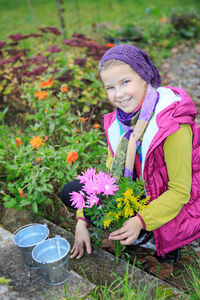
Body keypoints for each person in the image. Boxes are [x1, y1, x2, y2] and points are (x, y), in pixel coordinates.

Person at [60, 44, 200, 262]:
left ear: (144, 78)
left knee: (163, 246)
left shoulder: (172, 126)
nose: (119, 94)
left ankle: (155, 238)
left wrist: (139, 221)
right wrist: (81, 220)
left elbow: (180, 192)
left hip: (172, 198)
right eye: (110, 87)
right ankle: (134, 230)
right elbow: (108, 176)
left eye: (125, 82)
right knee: (71, 191)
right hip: (138, 189)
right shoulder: (119, 124)